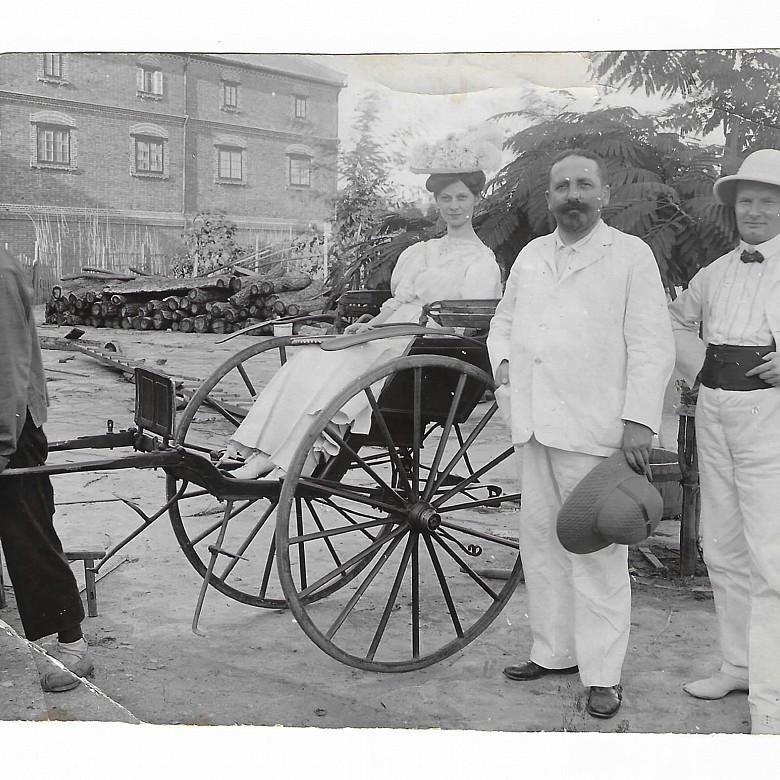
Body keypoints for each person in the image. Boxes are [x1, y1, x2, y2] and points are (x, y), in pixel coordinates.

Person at [487, 149, 675, 718]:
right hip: (534, 425)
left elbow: (650, 343)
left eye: (584, 185)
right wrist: (502, 370)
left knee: (596, 555)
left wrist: (640, 420)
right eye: (563, 186)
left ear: (604, 195)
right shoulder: (531, 255)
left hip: (594, 432)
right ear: (548, 198)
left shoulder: (630, 256)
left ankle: (603, 675)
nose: (574, 195)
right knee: (541, 546)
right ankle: (553, 651)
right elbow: (504, 321)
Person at [224, 130, 503, 479]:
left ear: (477, 199)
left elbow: (462, 326)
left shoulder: (480, 262)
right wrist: (373, 324)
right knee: (314, 358)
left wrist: (399, 334)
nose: (454, 206)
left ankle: (294, 458)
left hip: (426, 346)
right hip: (391, 333)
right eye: (446, 198)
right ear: (437, 201)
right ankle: (262, 450)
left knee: (347, 370)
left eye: (462, 197)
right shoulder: (421, 251)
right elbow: (397, 302)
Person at [668, 148, 780, 735]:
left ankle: (772, 695)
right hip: (715, 411)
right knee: (725, 548)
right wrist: (699, 369)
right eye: (746, 204)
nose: (755, 213)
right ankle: (738, 664)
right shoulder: (715, 272)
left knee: (772, 557)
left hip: (772, 419)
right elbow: (680, 322)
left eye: (767, 201)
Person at [0, 246, 94, 692]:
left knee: (28, 537)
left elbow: (8, 369)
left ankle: (72, 644)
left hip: (11, 428)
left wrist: (2, 445)